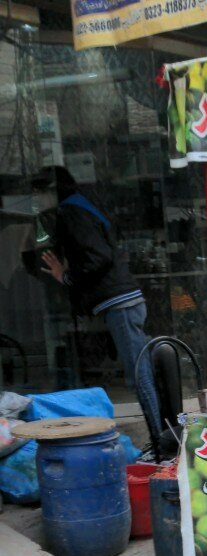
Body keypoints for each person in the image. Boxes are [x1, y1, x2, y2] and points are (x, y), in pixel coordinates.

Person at [33, 166, 163, 443]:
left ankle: (162, 443)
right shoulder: (84, 205)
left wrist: (66, 275)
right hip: (124, 301)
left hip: (120, 303)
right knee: (146, 371)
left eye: (41, 192)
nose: (38, 200)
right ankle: (164, 438)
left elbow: (97, 257)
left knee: (140, 377)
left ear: (53, 191)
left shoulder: (71, 213)